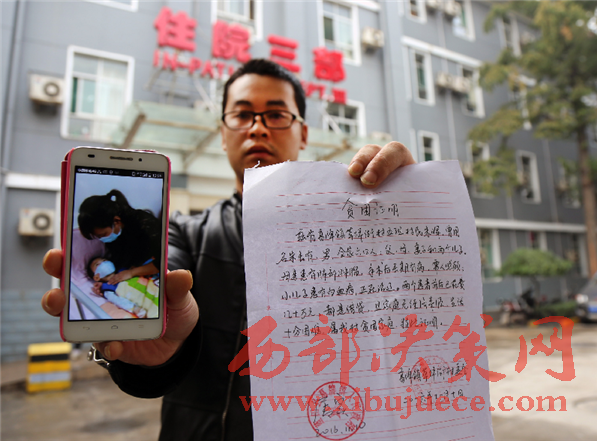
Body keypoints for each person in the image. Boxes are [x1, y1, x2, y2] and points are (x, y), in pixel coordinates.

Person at [41, 59, 416, 440]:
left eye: (276, 115)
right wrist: (156, 349)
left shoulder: (348, 233)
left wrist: (414, 210)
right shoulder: (182, 232)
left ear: (303, 133)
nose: (257, 127)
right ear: (223, 133)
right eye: (242, 115)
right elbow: (163, 295)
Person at [78, 189, 162, 286]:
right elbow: (120, 260)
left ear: (116, 221)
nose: (101, 239)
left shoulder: (146, 226)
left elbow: (162, 262)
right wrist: (107, 280)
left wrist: (132, 272)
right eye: (98, 236)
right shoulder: (114, 236)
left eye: (103, 235)